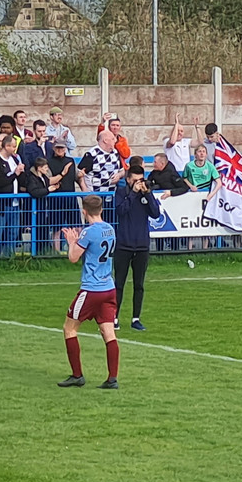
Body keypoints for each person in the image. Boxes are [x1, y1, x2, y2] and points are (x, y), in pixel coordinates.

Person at [59, 194, 120, 389]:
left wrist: (71, 242)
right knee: (108, 332)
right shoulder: (110, 229)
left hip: (91, 289)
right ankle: (112, 378)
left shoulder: (88, 232)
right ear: (101, 210)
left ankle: (77, 375)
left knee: (69, 328)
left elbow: (73, 258)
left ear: (84, 212)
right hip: (109, 288)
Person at [113, 159, 161, 332]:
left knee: (139, 284)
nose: (139, 183)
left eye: (141, 180)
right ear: (128, 179)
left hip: (142, 245)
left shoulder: (146, 194)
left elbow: (156, 213)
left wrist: (147, 194)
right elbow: (121, 211)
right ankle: (114, 317)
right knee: (119, 283)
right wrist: (132, 194)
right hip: (124, 245)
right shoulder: (120, 192)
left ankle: (136, 318)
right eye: (135, 180)